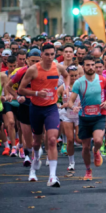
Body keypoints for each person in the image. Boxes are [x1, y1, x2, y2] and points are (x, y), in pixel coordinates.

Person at [17, 44, 70, 187]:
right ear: (41, 55)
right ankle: (35, 161)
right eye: (47, 54)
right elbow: (21, 89)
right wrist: (35, 93)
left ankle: (52, 177)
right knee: (36, 143)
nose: (50, 57)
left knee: (52, 139)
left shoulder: (57, 67)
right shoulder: (33, 70)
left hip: (51, 108)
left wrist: (66, 87)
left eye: (52, 54)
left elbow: (66, 76)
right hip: (35, 108)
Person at [66, 55, 106, 181]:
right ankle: (88, 170)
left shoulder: (103, 79)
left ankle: (96, 151)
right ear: (83, 67)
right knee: (85, 147)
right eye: (88, 65)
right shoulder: (79, 82)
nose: (90, 67)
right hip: (84, 117)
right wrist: (73, 107)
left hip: (99, 115)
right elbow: (70, 100)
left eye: (92, 65)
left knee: (98, 140)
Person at [57, 65, 81, 171]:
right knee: (70, 140)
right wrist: (61, 105)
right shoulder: (63, 87)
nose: (74, 78)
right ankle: (71, 162)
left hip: (78, 115)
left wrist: (81, 105)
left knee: (79, 139)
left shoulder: (81, 85)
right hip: (67, 115)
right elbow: (55, 98)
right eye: (71, 76)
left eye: (76, 75)